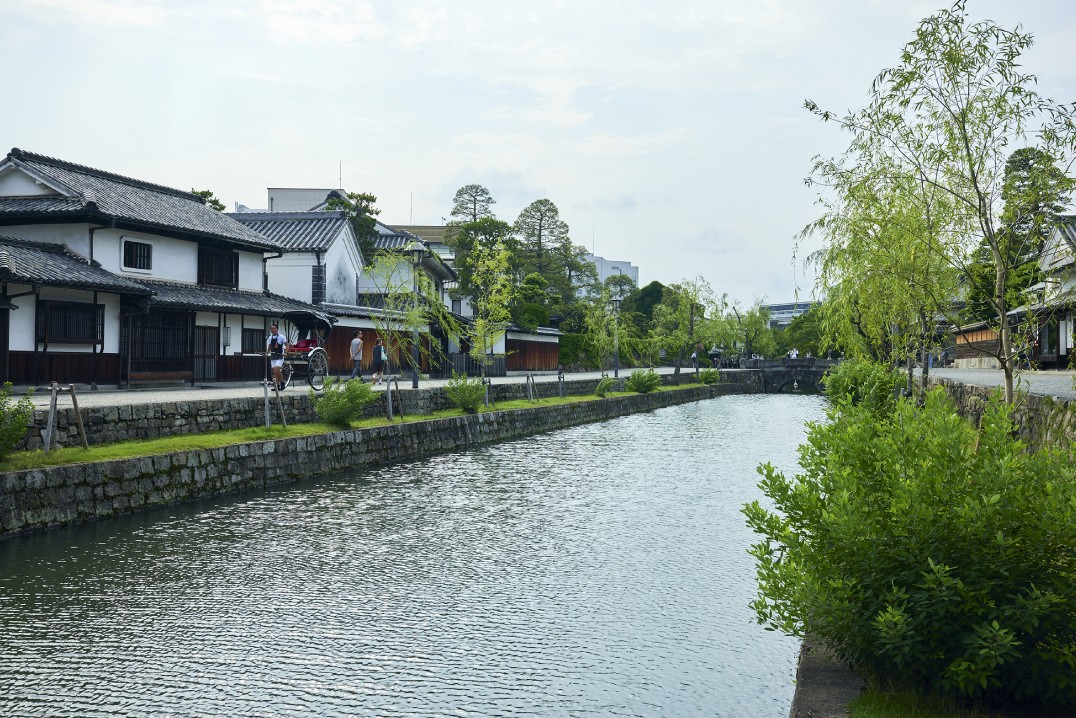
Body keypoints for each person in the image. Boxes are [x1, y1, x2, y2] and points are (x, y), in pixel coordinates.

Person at [266, 323, 288, 390]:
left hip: (280, 356)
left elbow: (287, 345)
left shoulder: (281, 337)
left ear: (277, 329)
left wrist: (286, 352)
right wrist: (267, 353)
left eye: (274, 328)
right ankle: (277, 386)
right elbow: (270, 346)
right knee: (274, 371)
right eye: (271, 329)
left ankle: (282, 382)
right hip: (273, 356)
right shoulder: (270, 337)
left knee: (276, 370)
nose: (273, 330)